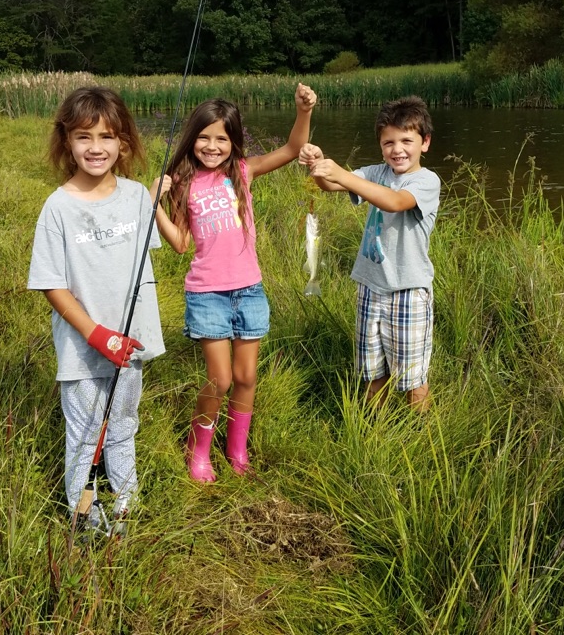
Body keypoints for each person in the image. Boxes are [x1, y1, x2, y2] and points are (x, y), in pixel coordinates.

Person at [151, 83, 317, 482]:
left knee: (246, 377)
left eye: (221, 138)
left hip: (250, 291)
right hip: (207, 293)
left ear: (234, 141)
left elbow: (293, 148)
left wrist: (303, 111)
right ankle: (199, 448)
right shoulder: (182, 181)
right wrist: (154, 203)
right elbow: (180, 244)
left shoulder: (243, 171)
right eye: (204, 138)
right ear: (192, 139)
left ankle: (237, 450)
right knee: (220, 379)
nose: (212, 146)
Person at [28, 86, 165, 532]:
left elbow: (146, 268)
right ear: (66, 141)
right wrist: (96, 334)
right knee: (85, 434)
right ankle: (82, 516)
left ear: (123, 141)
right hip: (85, 348)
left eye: (107, 137)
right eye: (84, 137)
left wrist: (161, 195)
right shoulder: (58, 207)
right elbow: (51, 284)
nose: (96, 147)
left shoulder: (136, 198)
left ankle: (125, 504)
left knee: (124, 424)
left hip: (131, 345)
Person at [299, 96, 440, 412]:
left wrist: (341, 173)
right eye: (389, 142)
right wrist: (319, 165)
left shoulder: (427, 181)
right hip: (369, 288)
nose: (397, 149)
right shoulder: (377, 173)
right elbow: (328, 186)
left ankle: (422, 429)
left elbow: (394, 201)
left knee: (412, 378)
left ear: (425, 143)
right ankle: (372, 426)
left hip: (408, 292)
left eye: (407, 140)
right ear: (380, 145)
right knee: (372, 372)